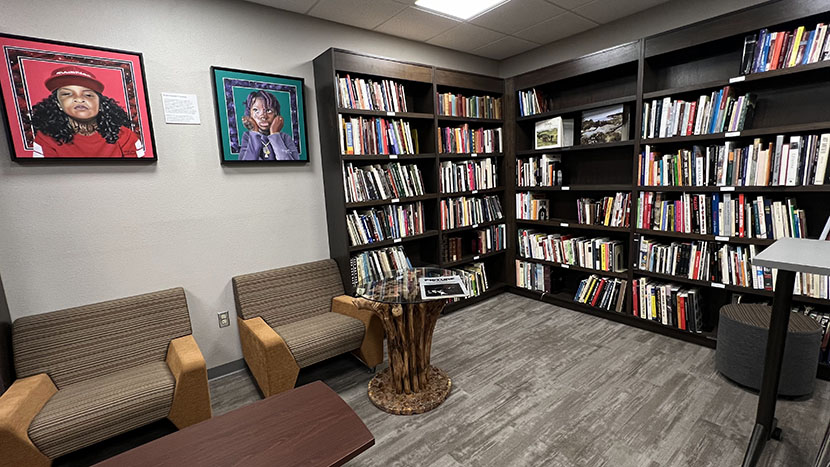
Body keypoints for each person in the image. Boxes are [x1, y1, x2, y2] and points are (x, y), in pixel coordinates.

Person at [29, 65, 145, 158]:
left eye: (88, 95)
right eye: (67, 94)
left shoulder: (125, 135)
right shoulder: (46, 139)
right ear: (58, 104)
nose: (79, 99)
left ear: (100, 103)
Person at [238, 90, 299, 161]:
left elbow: (291, 164)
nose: (263, 116)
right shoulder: (248, 136)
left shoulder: (285, 137)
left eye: (269, 110)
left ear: (276, 114)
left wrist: (274, 134)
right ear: (249, 114)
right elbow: (247, 164)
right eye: (256, 110)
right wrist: (254, 132)